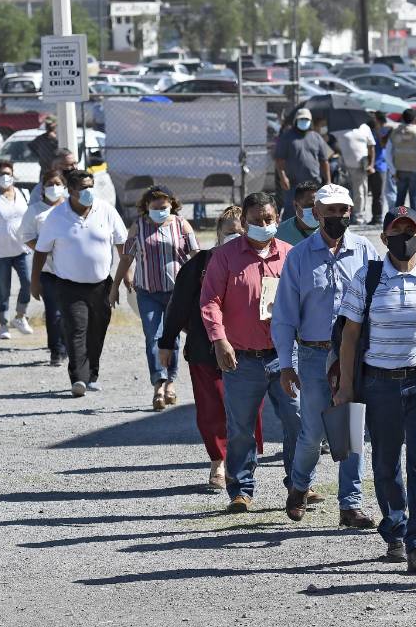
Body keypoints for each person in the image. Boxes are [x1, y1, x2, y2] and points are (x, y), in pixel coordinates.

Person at [334, 207, 416, 573]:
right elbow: (350, 336)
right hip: (380, 384)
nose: (403, 237)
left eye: (410, 230)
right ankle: (395, 528)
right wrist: (345, 386)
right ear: (384, 237)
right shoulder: (367, 278)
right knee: (386, 463)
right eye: (396, 230)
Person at [272, 183, 378, 526]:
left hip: (354, 355)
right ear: (315, 213)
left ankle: (350, 504)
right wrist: (286, 365)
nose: (337, 216)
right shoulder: (298, 256)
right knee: (314, 432)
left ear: (351, 212)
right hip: (314, 354)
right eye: (330, 210)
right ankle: (299, 485)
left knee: (350, 429)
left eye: (343, 210)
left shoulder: (366, 251)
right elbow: (285, 315)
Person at [199, 192, 302, 513]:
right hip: (241, 358)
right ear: (244, 222)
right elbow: (210, 300)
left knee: (297, 420)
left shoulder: (291, 255)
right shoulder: (226, 256)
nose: (263, 225)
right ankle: (241, 490)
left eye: (269, 219)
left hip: (284, 357)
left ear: (278, 217)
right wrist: (219, 340)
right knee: (241, 428)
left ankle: (299, 485)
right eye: (256, 221)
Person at [160, 207, 264, 491]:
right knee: (211, 409)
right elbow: (178, 306)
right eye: (229, 231)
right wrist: (167, 342)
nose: (235, 236)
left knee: (246, 410)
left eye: (240, 231)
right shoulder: (199, 264)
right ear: (218, 233)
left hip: (249, 351)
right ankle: (218, 462)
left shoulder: (258, 262)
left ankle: (243, 464)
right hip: (206, 350)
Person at [32, 169, 126, 396]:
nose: (88, 191)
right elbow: (41, 251)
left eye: (91, 186)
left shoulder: (106, 210)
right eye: (83, 188)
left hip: (101, 285)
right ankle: (79, 379)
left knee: (97, 331)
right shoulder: (56, 217)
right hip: (68, 286)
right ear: (70, 190)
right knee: (76, 329)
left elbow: (122, 243)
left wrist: (127, 274)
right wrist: (34, 281)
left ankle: (92, 375)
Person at [111, 185, 199, 411]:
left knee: (173, 337)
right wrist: (115, 286)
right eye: (155, 207)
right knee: (153, 336)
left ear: (172, 205)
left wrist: (202, 285)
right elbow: (126, 258)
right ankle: (158, 384)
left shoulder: (181, 225)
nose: (160, 210)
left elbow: (196, 257)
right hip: (147, 292)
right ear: (146, 207)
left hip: (176, 292)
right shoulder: (138, 227)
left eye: (164, 206)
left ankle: (171, 382)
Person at [0, 160, 34, 340]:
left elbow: (31, 218)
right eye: (1, 174)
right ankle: (3, 324)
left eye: (8, 174)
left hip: (22, 248)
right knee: (3, 289)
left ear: (13, 176)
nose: (5, 177)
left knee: (28, 282)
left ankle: (20, 316)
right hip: (0, 251)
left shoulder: (23, 193)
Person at [20, 169, 69, 366]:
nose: (54, 188)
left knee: (69, 311)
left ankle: (66, 346)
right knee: (53, 310)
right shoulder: (34, 210)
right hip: (47, 270)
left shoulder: (70, 208)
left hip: (71, 270)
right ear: (42, 188)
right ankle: (56, 351)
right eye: (49, 184)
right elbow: (26, 236)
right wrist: (44, 249)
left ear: (65, 187)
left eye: (57, 183)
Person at [275, 108, 331, 210]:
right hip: (293, 184)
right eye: (301, 119)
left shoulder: (316, 137)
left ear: (310, 121)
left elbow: (324, 161)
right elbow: (279, 160)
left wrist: (328, 180)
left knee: (313, 212)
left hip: (313, 184)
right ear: (296, 120)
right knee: (291, 212)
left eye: (306, 119)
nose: (304, 121)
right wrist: (283, 177)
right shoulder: (287, 137)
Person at [384, 108, 416, 213]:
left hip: (399, 170)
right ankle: (415, 224)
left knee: (400, 198)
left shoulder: (395, 131)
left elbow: (387, 153)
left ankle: (396, 223)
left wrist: (393, 171)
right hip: (415, 170)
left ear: (402, 118)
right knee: (414, 199)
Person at [335, 119, 377, 224]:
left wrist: (371, 165)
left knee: (360, 193)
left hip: (360, 167)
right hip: (343, 167)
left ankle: (358, 217)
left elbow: (371, 147)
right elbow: (330, 142)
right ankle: (345, 216)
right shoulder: (339, 127)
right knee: (344, 193)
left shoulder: (365, 127)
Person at [276, 181, 320, 245]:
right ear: (295, 205)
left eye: (318, 205)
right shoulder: (280, 234)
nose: (315, 210)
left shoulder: (330, 230)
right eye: (309, 205)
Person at [369, 112, 390, 223]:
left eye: (374, 118)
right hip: (370, 166)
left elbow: (383, 145)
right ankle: (374, 216)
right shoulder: (370, 131)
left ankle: (378, 216)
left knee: (378, 194)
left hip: (380, 166)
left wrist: (378, 131)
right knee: (373, 194)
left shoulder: (385, 131)